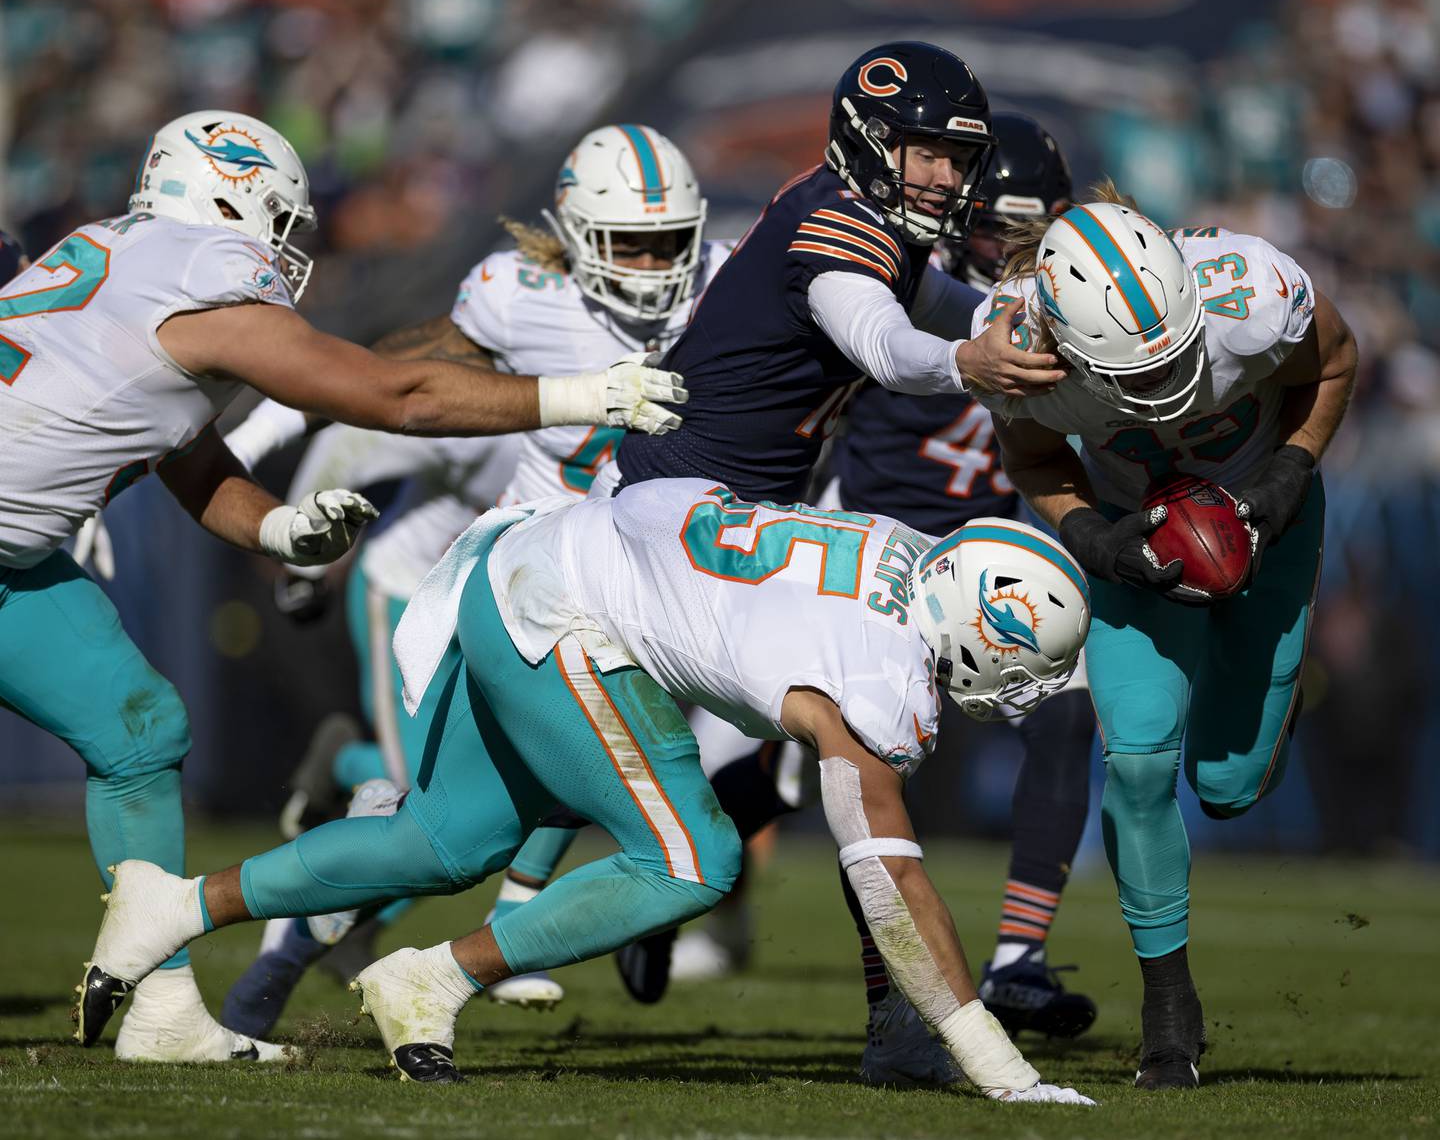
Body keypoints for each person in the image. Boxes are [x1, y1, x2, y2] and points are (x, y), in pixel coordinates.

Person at [0, 108, 682, 1064]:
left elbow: (183, 451)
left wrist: (276, 524)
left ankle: (158, 1013)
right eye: (279, 218)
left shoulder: (115, 251)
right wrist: (580, 394)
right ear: (231, 195)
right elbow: (393, 394)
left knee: (139, 730)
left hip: (14, 562)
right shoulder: (203, 269)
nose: (285, 246)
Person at [78, 477, 1095, 1107]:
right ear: (978, 622)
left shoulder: (906, 554)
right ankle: (434, 978)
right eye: (1025, 659)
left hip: (530, 567)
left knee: (442, 843)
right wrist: (989, 1056)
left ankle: (171, 905)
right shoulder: (884, 675)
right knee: (696, 857)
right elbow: (887, 880)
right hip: (568, 616)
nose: (1024, 685)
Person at [217, 123, 730, 1035]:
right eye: (629, 244)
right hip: (476, 592)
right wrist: (257, 454)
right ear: (575, 238)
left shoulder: (728, 286)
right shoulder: (514, 296)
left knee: (538, 795)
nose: (653, 267)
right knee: (431, 825)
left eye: (668, 243)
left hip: (607, 593)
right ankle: (287, 936)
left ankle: (477, 928)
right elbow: (373, 390)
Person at [973, 187, 1356, 1089]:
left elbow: (1334, 362)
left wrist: (1293, 470)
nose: (1163, 390)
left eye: (1174, 359)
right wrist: (1093, 539)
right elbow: (1031, 456)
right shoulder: (1019, 347)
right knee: (1139, 764)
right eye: (1134, 380)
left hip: (1266, 515)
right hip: (1132, 531)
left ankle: (1268, 693)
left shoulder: (1251, 289)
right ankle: (1170, 1012)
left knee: (1224, 789)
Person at [826, 113, 1099, 1061]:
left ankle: (1018, 955)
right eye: (998, 232)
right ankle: (701, 901)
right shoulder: (900, 282)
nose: (1014, 254)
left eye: (1034, 233)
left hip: (987, 561)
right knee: (814, 778)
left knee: (1067, 715)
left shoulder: (1069, 303)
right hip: (879, 552)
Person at [598, 40, 1067, 506]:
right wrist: (965, 362)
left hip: (732, 495)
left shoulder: (870, 215)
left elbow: (943, 304)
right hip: (677, 493)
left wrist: (1055, 326)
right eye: (928, 156)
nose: (947, 179)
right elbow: (884, 347)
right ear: (869, 140)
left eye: (961, 161)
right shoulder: (840, 220)